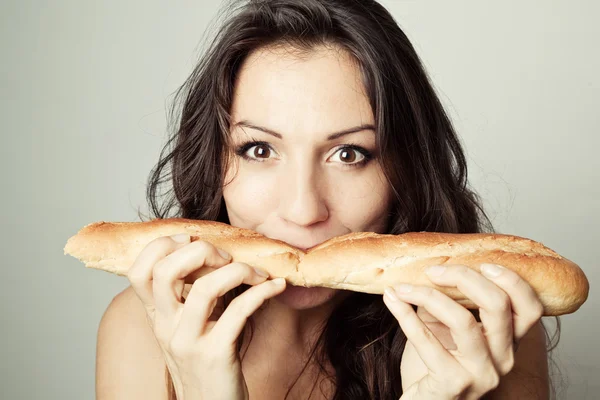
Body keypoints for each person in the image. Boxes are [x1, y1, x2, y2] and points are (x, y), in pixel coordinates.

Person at [96, 0, 559, 399]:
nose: (302, 210)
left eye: (349, 154)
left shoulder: (491, 326)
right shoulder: (142, 330)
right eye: (259, 150)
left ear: (405, 166)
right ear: (214, 159)